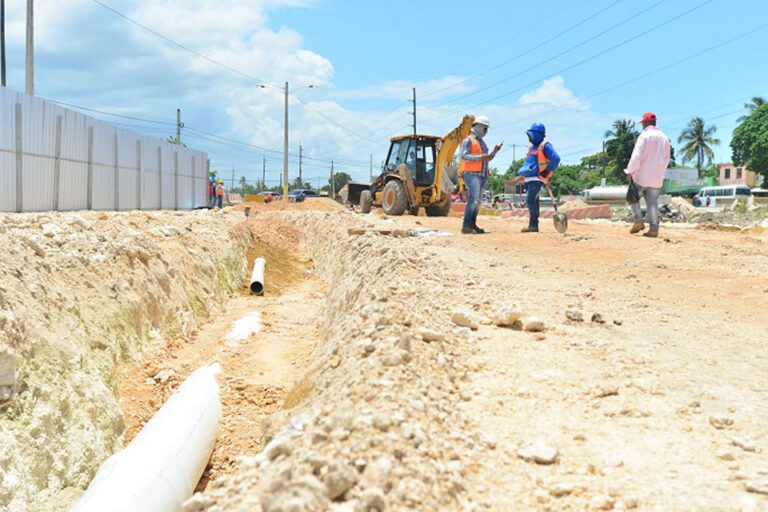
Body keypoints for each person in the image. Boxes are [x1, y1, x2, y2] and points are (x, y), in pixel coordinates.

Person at [625, 112, 671, 238]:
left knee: (632, 198)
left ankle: (638, 220)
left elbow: (636, 155)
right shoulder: (664, 137)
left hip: (642, 176)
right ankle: (654, 229)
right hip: (656, 178)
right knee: (652, 203)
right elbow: (667, 158)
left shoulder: (644, 136)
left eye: (643, 123)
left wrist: (630, 171)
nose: (642, 126)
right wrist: (660, 172)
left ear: (645, 123)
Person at [513, 122, 560, 232]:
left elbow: (556, 158)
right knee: (534, 201)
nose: (529, 138)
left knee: (530, 200)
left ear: (537, 134)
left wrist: (546, 171)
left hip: (537, 179)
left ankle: (533, 225)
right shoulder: (532, 147)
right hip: (528, 179)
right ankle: (534, 226)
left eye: (530, 135)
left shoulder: (545, 146)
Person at [460, 115, 502, 234]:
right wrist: (480, 157)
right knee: (473, 199)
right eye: (485, 128)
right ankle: (466, 226)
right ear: (478, 127)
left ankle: (472, 225)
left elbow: (487, 159)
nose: (486, 131)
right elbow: (463, 156)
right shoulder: (468, 140)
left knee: (477, 201)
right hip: (472, 174)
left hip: (482, 175)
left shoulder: (482, 143)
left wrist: (494, 152)